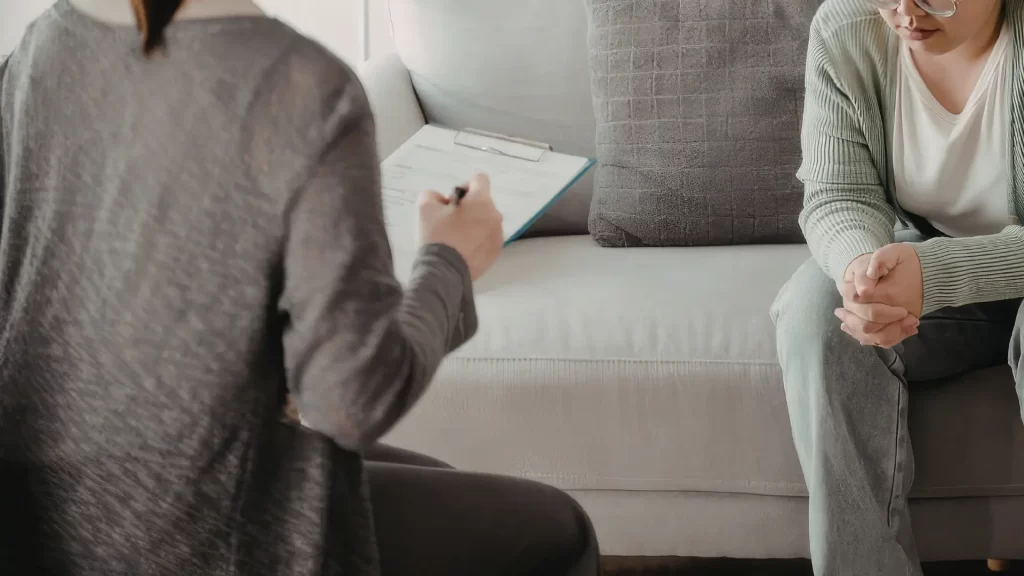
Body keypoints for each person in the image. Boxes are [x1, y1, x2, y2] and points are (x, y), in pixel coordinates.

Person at [0, 0, 600, 574]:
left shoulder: (44, 45)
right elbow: (351, 404)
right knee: (560, 530)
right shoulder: (299, 86)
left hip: (45, 518)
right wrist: (451, 260)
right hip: (201, 532)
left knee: (440, 478)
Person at [772, 0, 1024, 574]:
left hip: (953, 269)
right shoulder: (847, 29)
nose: (906, 13)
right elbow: (838, 193)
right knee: (817, 311)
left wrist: (933, 274)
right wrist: (864, 271)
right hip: (932, 266)